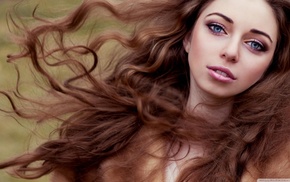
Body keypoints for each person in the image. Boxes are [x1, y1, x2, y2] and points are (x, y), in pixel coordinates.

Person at [1, 0, 290, 181]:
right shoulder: (107, 141)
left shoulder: (278, 161)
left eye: (255, 44)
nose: (230, 52)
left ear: (269, 66)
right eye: (216, 28)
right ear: (188, 37)